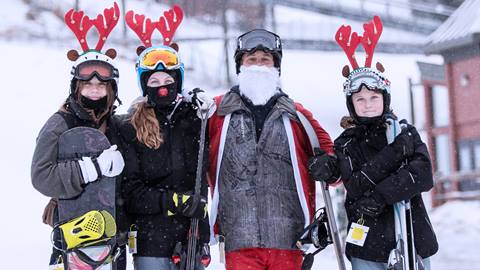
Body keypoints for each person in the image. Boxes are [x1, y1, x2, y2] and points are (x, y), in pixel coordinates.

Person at [309, 16, 438, 270]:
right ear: (352, 105)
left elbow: (422, 175)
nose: (368, 104)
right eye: (360, 100)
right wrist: (330, 165)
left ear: (385, 98)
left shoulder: (404, 133)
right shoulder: (346, 144)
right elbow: (356, 184)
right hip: (368, 242)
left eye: (373, 97)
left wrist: (382, 195)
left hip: (412, 235)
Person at [207, 29, 335, 270]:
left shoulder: (297, 116)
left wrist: (328, 166)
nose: (258, 66)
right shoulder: (216, 113)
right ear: (240, 66)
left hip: (288, 239)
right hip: (238, 237)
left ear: (276, 67)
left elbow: (332, 158)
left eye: (265, 60)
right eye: (251, 60)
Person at [31, 4, 127, 268]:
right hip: (73, 231)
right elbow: (41, 176)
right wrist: (91, 168)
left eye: (101, 85)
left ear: (111, 89)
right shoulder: (59, 124)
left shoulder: (118, 125)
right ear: (76, 87)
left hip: (113, 235)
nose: (94, 90)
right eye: (87, 84)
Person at [120, 8, 214, 269]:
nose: (162, 85)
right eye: (154, 80)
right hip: (152, 242)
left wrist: (207, 105)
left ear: (178, 81)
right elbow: (131, 192)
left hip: (193, 241)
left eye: (168, 78)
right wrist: (173, 202)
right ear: (144, 85)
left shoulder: (197, 118)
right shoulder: (131, 126)